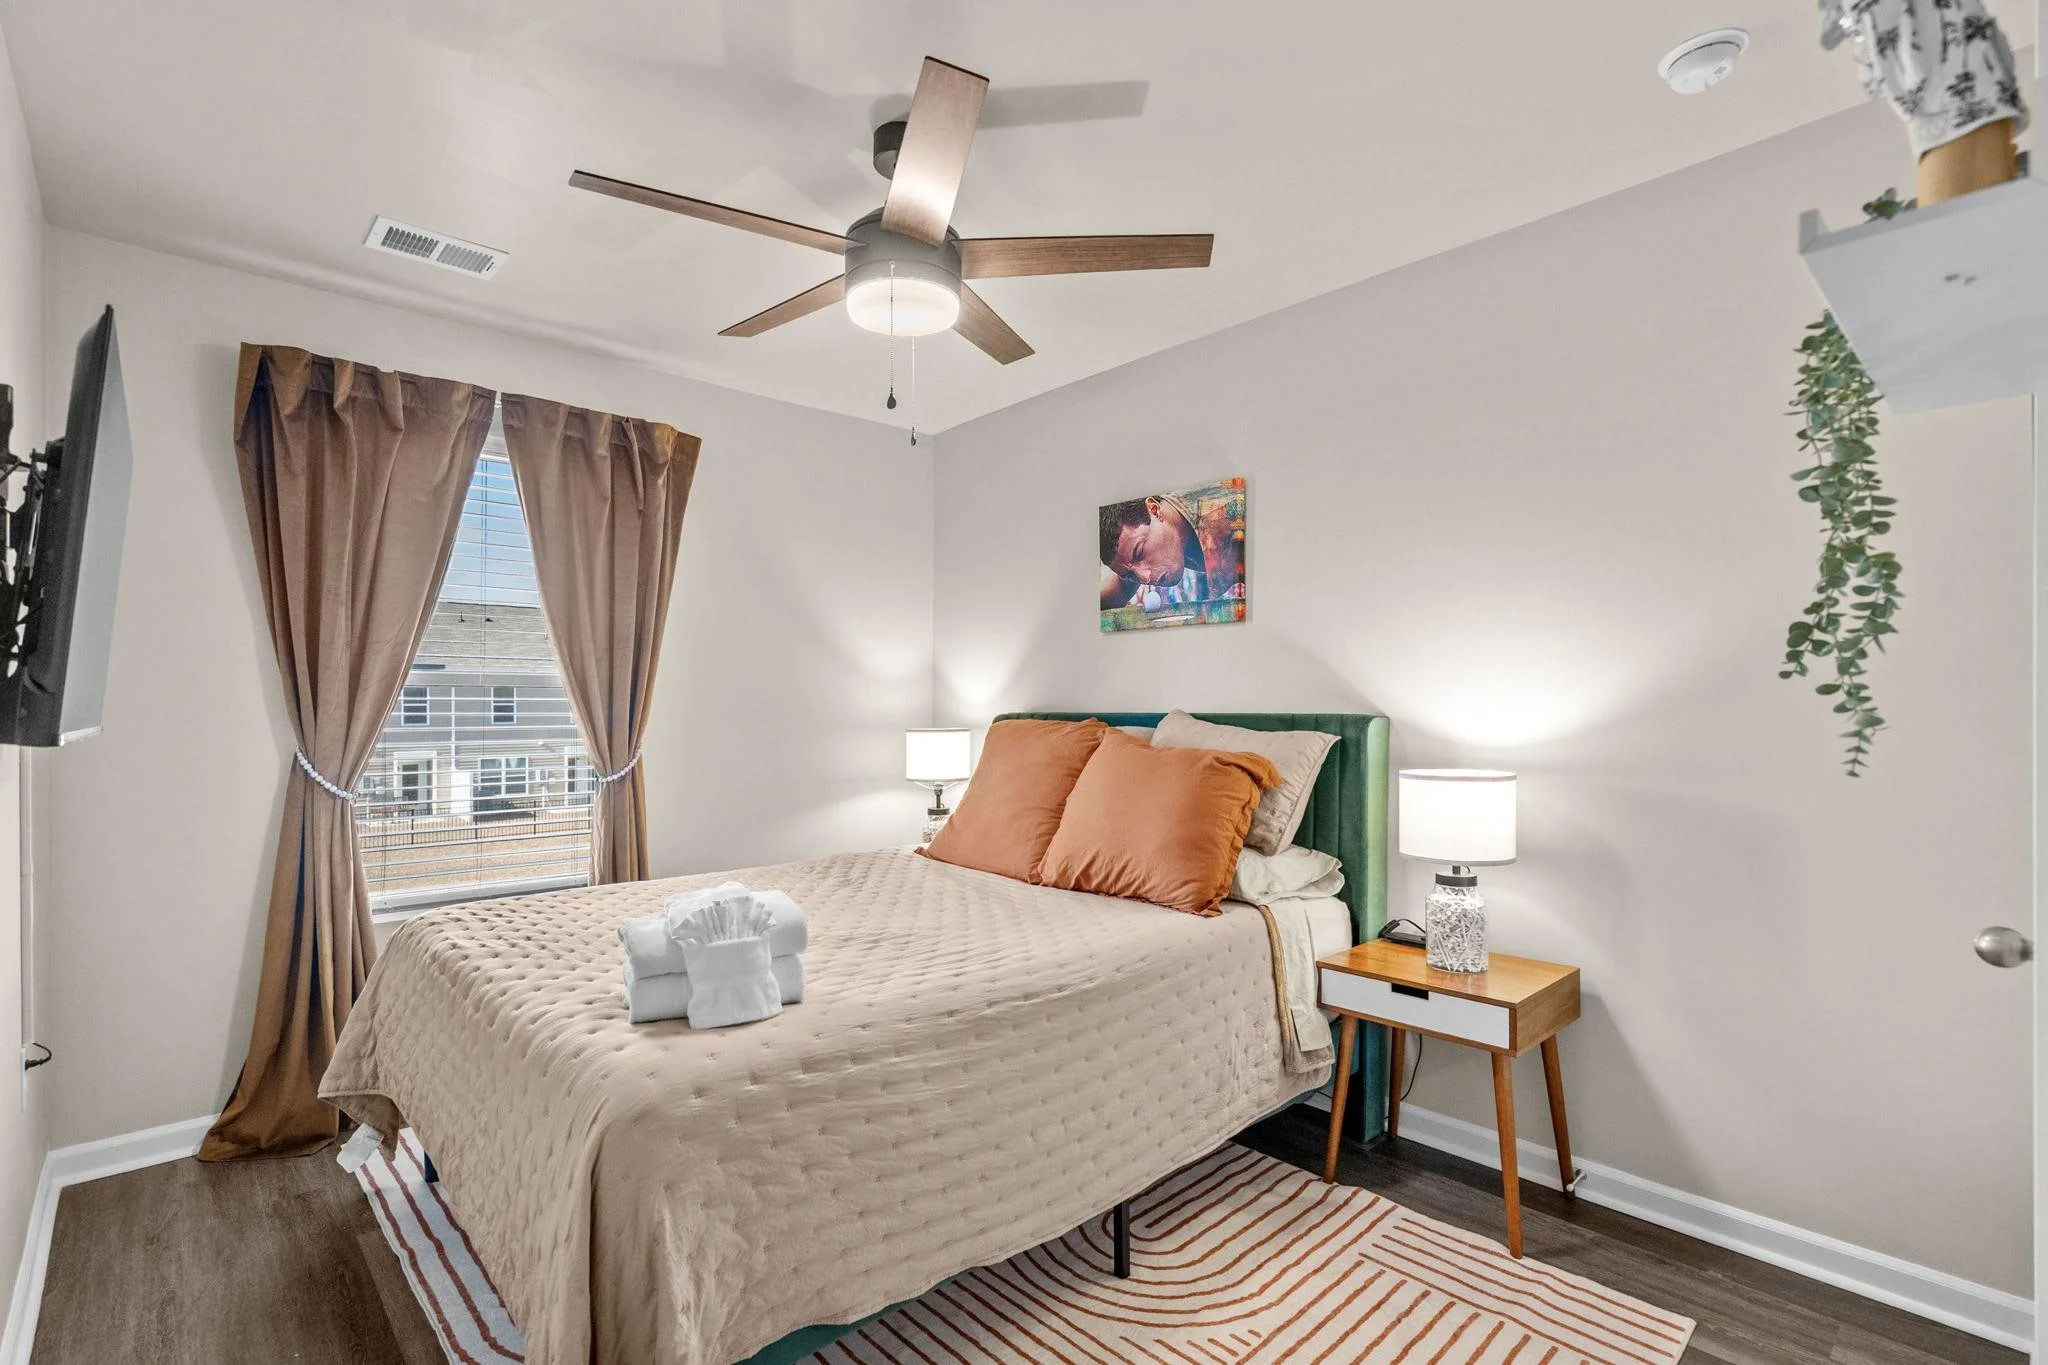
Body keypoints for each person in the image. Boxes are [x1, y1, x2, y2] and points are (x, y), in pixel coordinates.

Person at [1099, 493, 1209, 610]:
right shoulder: (1146, 538)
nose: (1145, 578)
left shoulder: (1220, 517)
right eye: (1130, 574)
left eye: (1139, 553)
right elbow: (1122, 587)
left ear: (1154, 510)